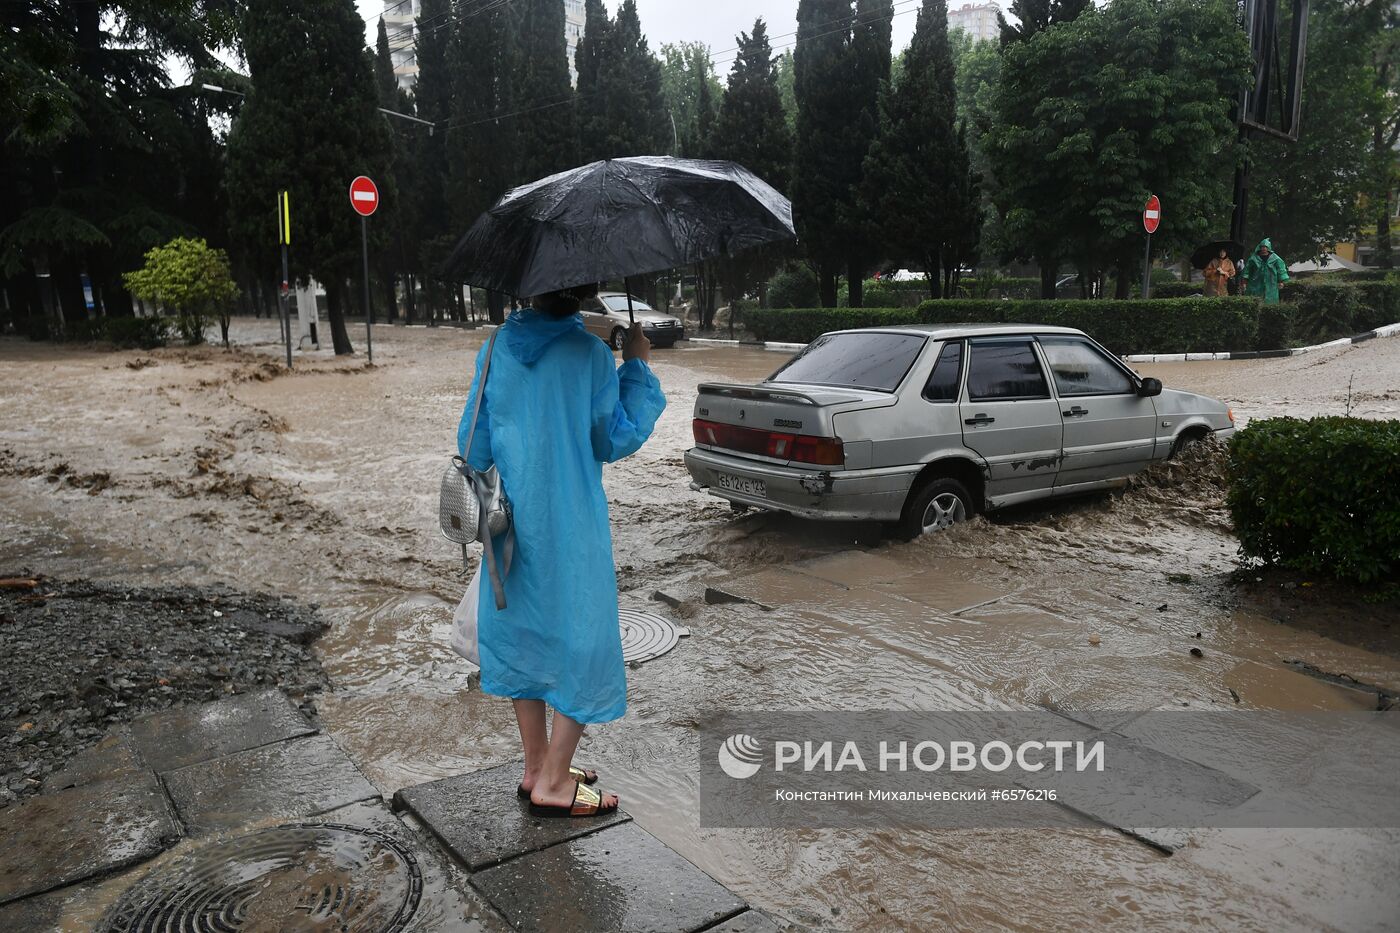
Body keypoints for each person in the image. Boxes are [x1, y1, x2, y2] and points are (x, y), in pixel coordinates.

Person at [458, 284, 666, 817]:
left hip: (509, 524)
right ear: (585, 293)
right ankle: (553, 781)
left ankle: (535, 766)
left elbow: (472, 444)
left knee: (521, 632)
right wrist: (636, 368)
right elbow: (612, 439)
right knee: (585, 638)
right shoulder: (591, 355)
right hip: (571, 525)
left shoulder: (497, 346)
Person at [1241, 238, 1289, 304]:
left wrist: (1281, 281)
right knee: (1256, 301)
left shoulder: (1275, 258)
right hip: (1256, 283)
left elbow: (1281, 270)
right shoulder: (1254, 258)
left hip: (1271, 283)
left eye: (1265, 247)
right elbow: (1247, 270)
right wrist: (1244, 282)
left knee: (1271, 301)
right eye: (1262, 247)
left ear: (1268, 248)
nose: (1263, 249)